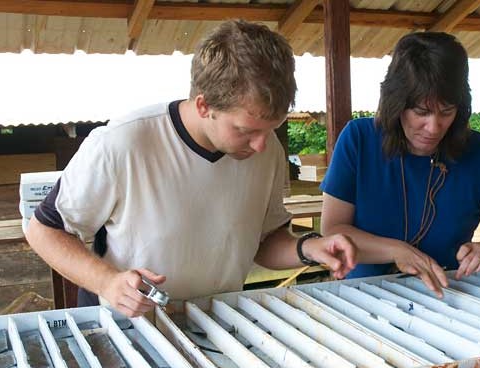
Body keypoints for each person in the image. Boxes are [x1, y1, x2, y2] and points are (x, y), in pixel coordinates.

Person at [26, 20, 356, 318]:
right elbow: (43, 231)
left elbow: (265, 240)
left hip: (217, 323)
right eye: (245, 130)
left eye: (270, 129)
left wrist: (308, 248)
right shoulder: (123, 142)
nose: (260, 145)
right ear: (203, 105)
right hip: (126, 327)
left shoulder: (267, 151)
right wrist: (108, 282)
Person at [320, 32, 480, 297]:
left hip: (446, 292)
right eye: (421, 112)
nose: (434, 128)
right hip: (363, 295)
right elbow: (332, 230)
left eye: (446, 112)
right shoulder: (358, 139)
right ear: (396, 104)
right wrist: (397, 250)